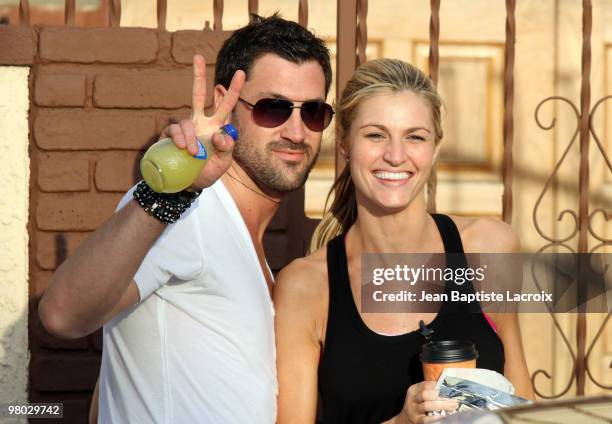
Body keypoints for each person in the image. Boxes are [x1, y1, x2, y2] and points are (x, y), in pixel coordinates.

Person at [39, 14, 332, 423]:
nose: (297, 132)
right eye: (273, 108)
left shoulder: (247, 244)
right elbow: (64, 314)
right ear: (223, 103)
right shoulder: (189, 212)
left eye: (313, 112)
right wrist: (169, 193)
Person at [274, 58, 535, 424]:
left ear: (435, 148)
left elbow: (523, 403)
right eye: (376, 135)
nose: (396, 156)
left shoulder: (490, 246)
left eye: (415, 136)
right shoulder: (305, 287)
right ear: (346, 145)